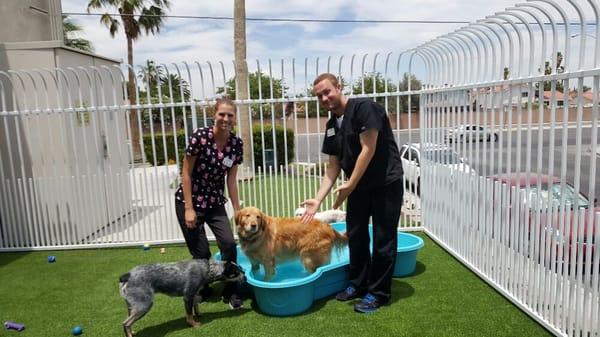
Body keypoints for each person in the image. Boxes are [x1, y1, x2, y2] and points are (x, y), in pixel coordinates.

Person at [301, 73, 404, 313]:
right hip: (357, 188)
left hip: (385, 184)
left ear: (339, 87)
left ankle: (378, 293)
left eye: (327, 91)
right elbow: (333, 166)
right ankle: (358, 284)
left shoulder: (364, 109)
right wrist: (318, 199)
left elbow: (368, 149)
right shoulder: (331, 126)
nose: (325, 98)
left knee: (383, 239)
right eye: (319, 96)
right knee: (356, 236)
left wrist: (350, 185)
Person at [174, 97, 244, 309]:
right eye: (222, 114)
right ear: (214, 114)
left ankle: (230, 289)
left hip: (214, 202)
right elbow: (185, 173)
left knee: (229, 244)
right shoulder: (200, 137)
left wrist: (238, 209)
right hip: (189, 201)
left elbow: (230, 180)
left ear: (234, 118)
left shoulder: (236, 144)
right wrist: (188, 208)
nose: (225, 118)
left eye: (230, 115)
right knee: (201, 253)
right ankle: (204, 288)